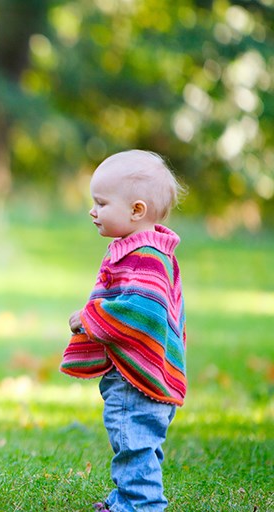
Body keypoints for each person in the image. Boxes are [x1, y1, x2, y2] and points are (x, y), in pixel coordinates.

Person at [59, 150, 187, 511]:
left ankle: (142, 504)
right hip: (131, 373)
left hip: (137, 379)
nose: (92, 210)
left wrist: (89, 317)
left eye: (101, 202)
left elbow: (140, 311)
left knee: (133, 441)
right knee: (132, 438)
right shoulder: (137, 251)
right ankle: (125, 499)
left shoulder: (146, 255)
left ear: (136, 210)